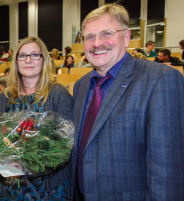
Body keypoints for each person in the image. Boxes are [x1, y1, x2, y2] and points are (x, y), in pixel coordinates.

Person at [73, 3, 184, 201]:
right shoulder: (81, 85)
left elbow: (167, 171)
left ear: (126, 37)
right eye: (89, 36)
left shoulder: (160, 79)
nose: (97, 43)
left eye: (106, 33)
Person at [0, 36, 73, 200]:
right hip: (10, 186)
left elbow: (66, 148)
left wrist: (26, 166)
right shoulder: (6, 96)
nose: (28, 60)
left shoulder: (58, 94)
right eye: (22, 55)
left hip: (47, 188)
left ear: (43, 59)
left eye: (34, 55)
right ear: (16, 61)